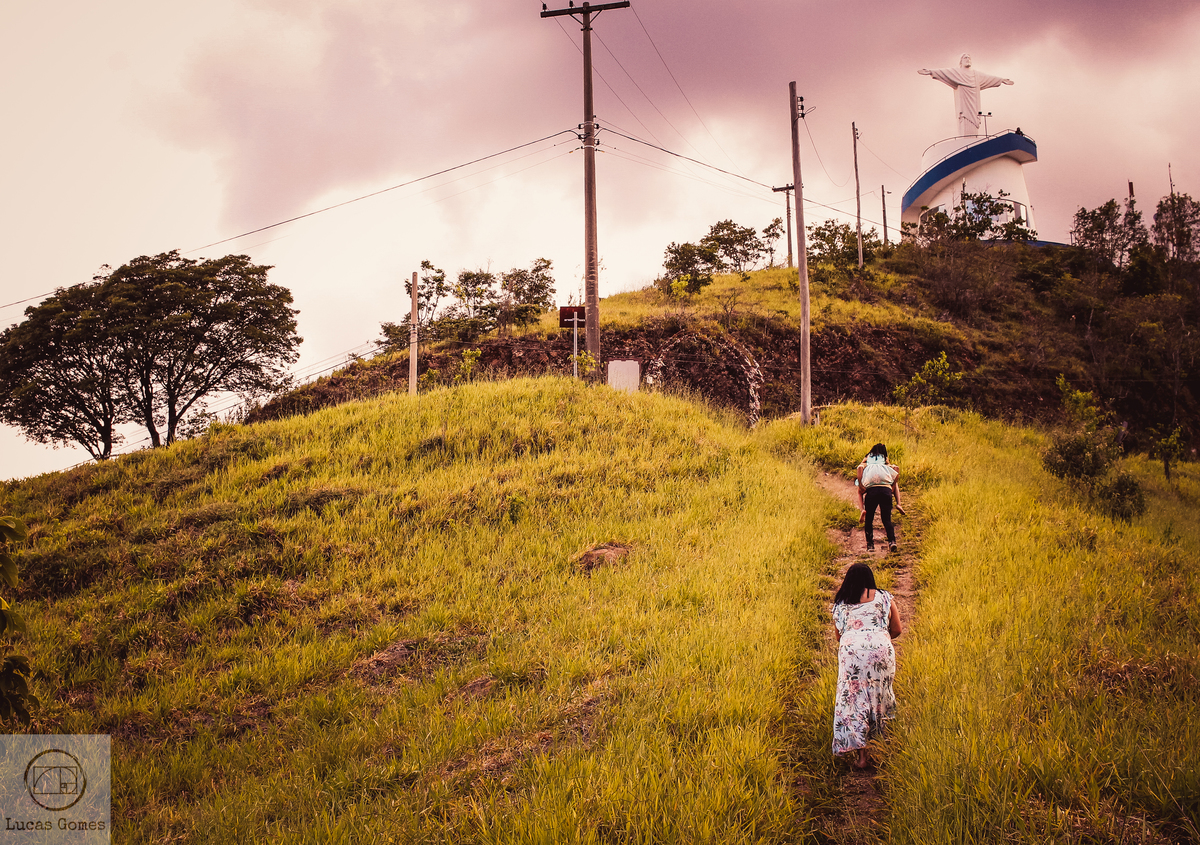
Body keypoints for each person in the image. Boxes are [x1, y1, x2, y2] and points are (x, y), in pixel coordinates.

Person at [831, 562, 903, 769]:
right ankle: (884, 747)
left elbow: (839, 636)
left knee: (855, 700)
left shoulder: (841, 603)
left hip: (852, 653)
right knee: (880, 696)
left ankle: (862, 757)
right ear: (870, 580)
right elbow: (897, 629)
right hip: (881, 649)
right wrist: (877, 639)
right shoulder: (884, 598)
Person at [856, 443, 903, 552]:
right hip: (886, 489)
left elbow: (859, 468)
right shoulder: (885, 459)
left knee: (869, 519)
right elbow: (895, 468)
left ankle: (870, 545)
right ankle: (892, 542)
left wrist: (861, 484)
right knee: (887, 519)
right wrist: (892, 484)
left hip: (871, 489)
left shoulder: (868, 457)